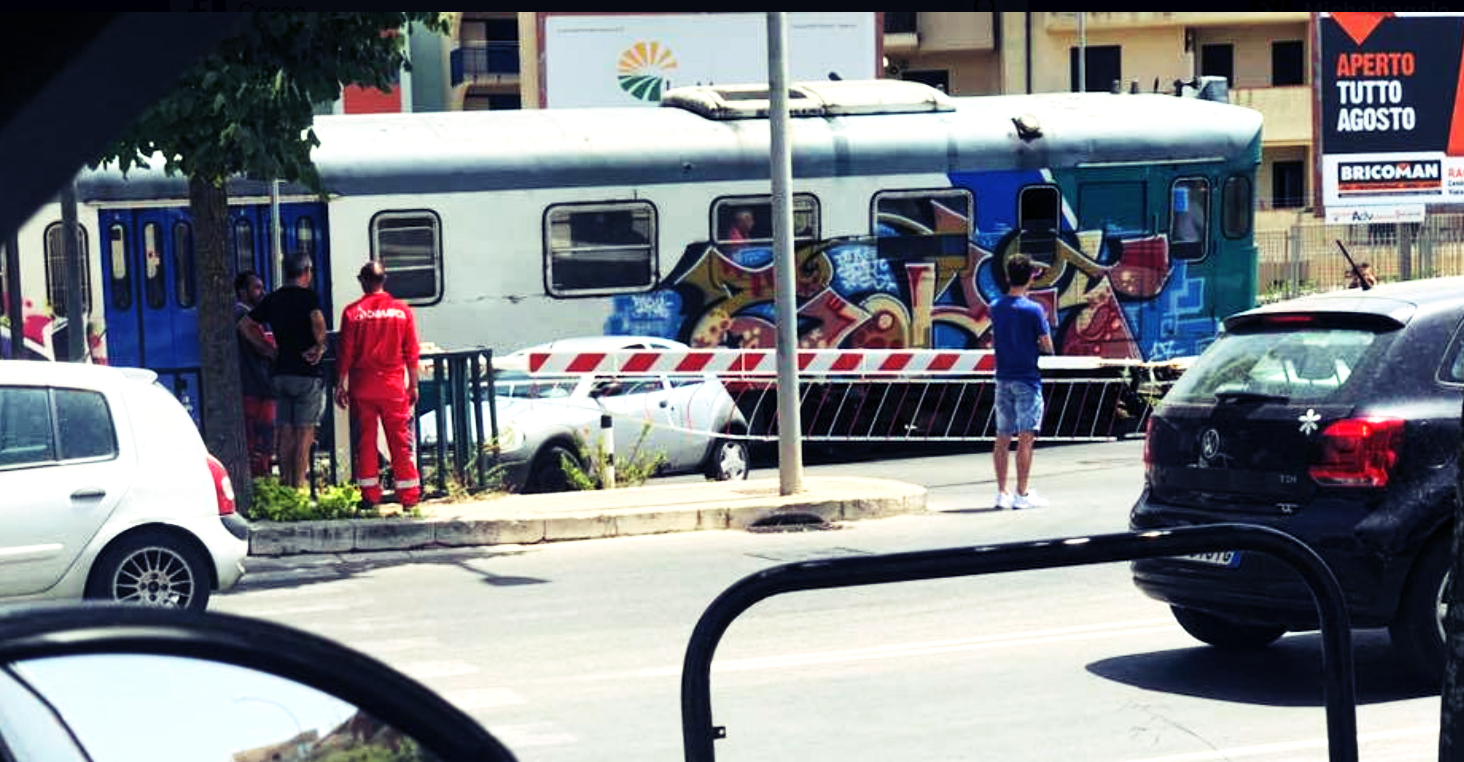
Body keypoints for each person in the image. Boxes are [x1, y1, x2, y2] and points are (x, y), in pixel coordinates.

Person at [334, 260, 423, 508]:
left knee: (366, 442)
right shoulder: (402, 311)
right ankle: (409, 498)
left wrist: (340, 384)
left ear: (363, 281)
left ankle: (370, 497)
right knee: (400, 442)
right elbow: (411, 351)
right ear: (384, 280)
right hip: (394, 387)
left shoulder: (352, 313)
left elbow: (346, 353)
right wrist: (413, 384)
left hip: (363, 387)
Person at [238, 253, 327, 490]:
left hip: (280, 373)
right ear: (306, 271)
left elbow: (246, 325)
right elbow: (317, 321)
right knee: (304, 432)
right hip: (306, 374)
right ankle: (298, 486)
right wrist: (319, 346)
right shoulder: (309, 298)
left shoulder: (274, 299)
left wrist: (268, 350)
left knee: (285, 430)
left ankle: (285, 486)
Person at [990, 252, 1055, 510]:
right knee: (1025, 438)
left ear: (1007, 277)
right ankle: (1022, 494)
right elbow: (1047, 345)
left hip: (1003, 377)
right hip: (1027, 378)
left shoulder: (996, 307)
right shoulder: (1034, 310)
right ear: (1030, 277)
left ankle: (1001, 493)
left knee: (1002, 437)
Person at [233, 271, 276, 479]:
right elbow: (261, 347)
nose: (262, 292)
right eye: (257, 287)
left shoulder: (243, 313)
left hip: (253, 387)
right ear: (243, 292)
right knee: (260, 439)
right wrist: (277, 354)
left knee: (258, 439)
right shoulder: (243, 315)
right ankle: (260, 480)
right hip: (256, 388)